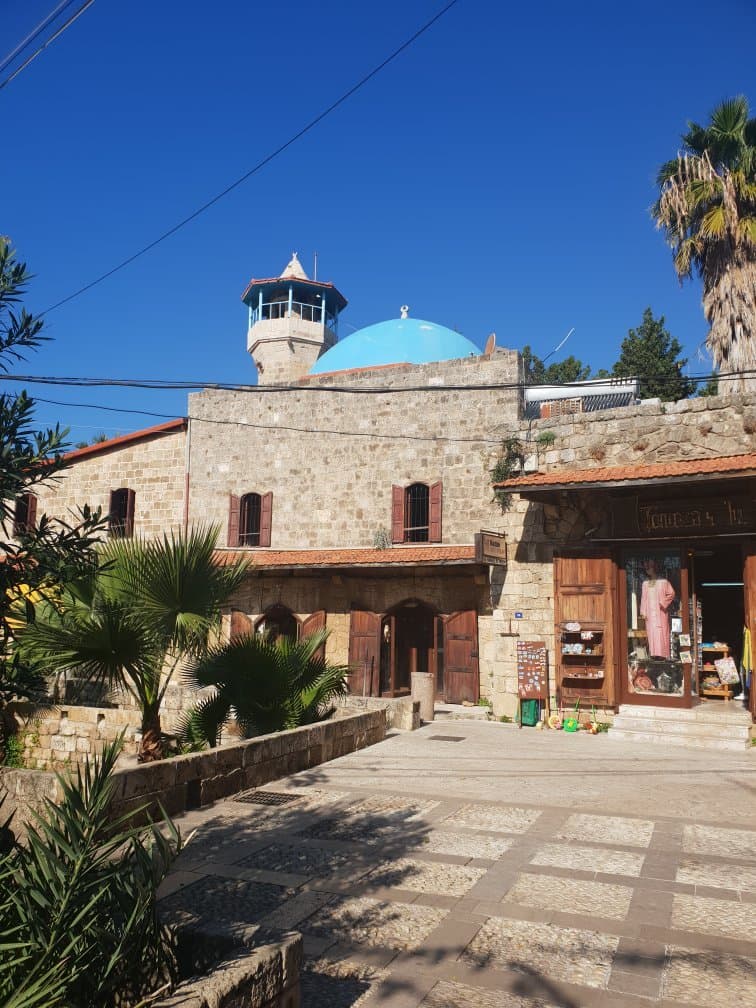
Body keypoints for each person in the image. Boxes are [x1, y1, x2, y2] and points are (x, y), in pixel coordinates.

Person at [640, 558, 676, 657]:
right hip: (649, 614)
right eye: (646, 568)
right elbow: (643, 598)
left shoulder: (663, 582)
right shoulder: (645, 584)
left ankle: (663, 655)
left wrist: (663, 603)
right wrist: (643, 612)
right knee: (651, 633)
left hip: (661, 612)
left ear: (655, 568)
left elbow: (672, 593)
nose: (648, 569)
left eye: (649, 567)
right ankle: (653, 654)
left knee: (662, 633)